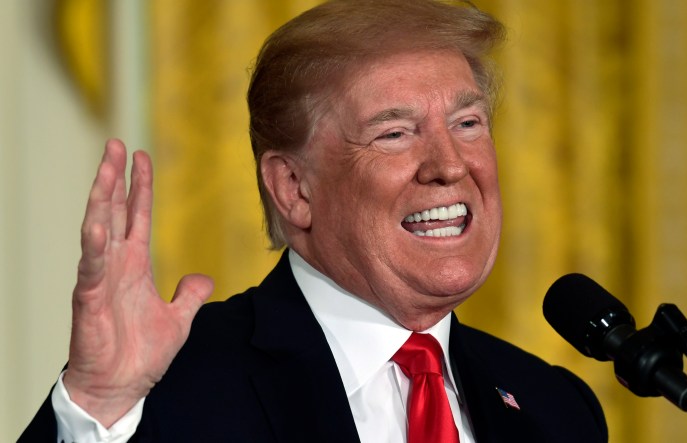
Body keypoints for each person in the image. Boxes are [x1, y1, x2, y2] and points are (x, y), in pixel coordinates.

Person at [21, 0, 608, 441]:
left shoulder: (555, 407)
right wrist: (97, 404)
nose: (450, 165)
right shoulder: (170, 387)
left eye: (468, 123)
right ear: (293, 188)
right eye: (395, 133)